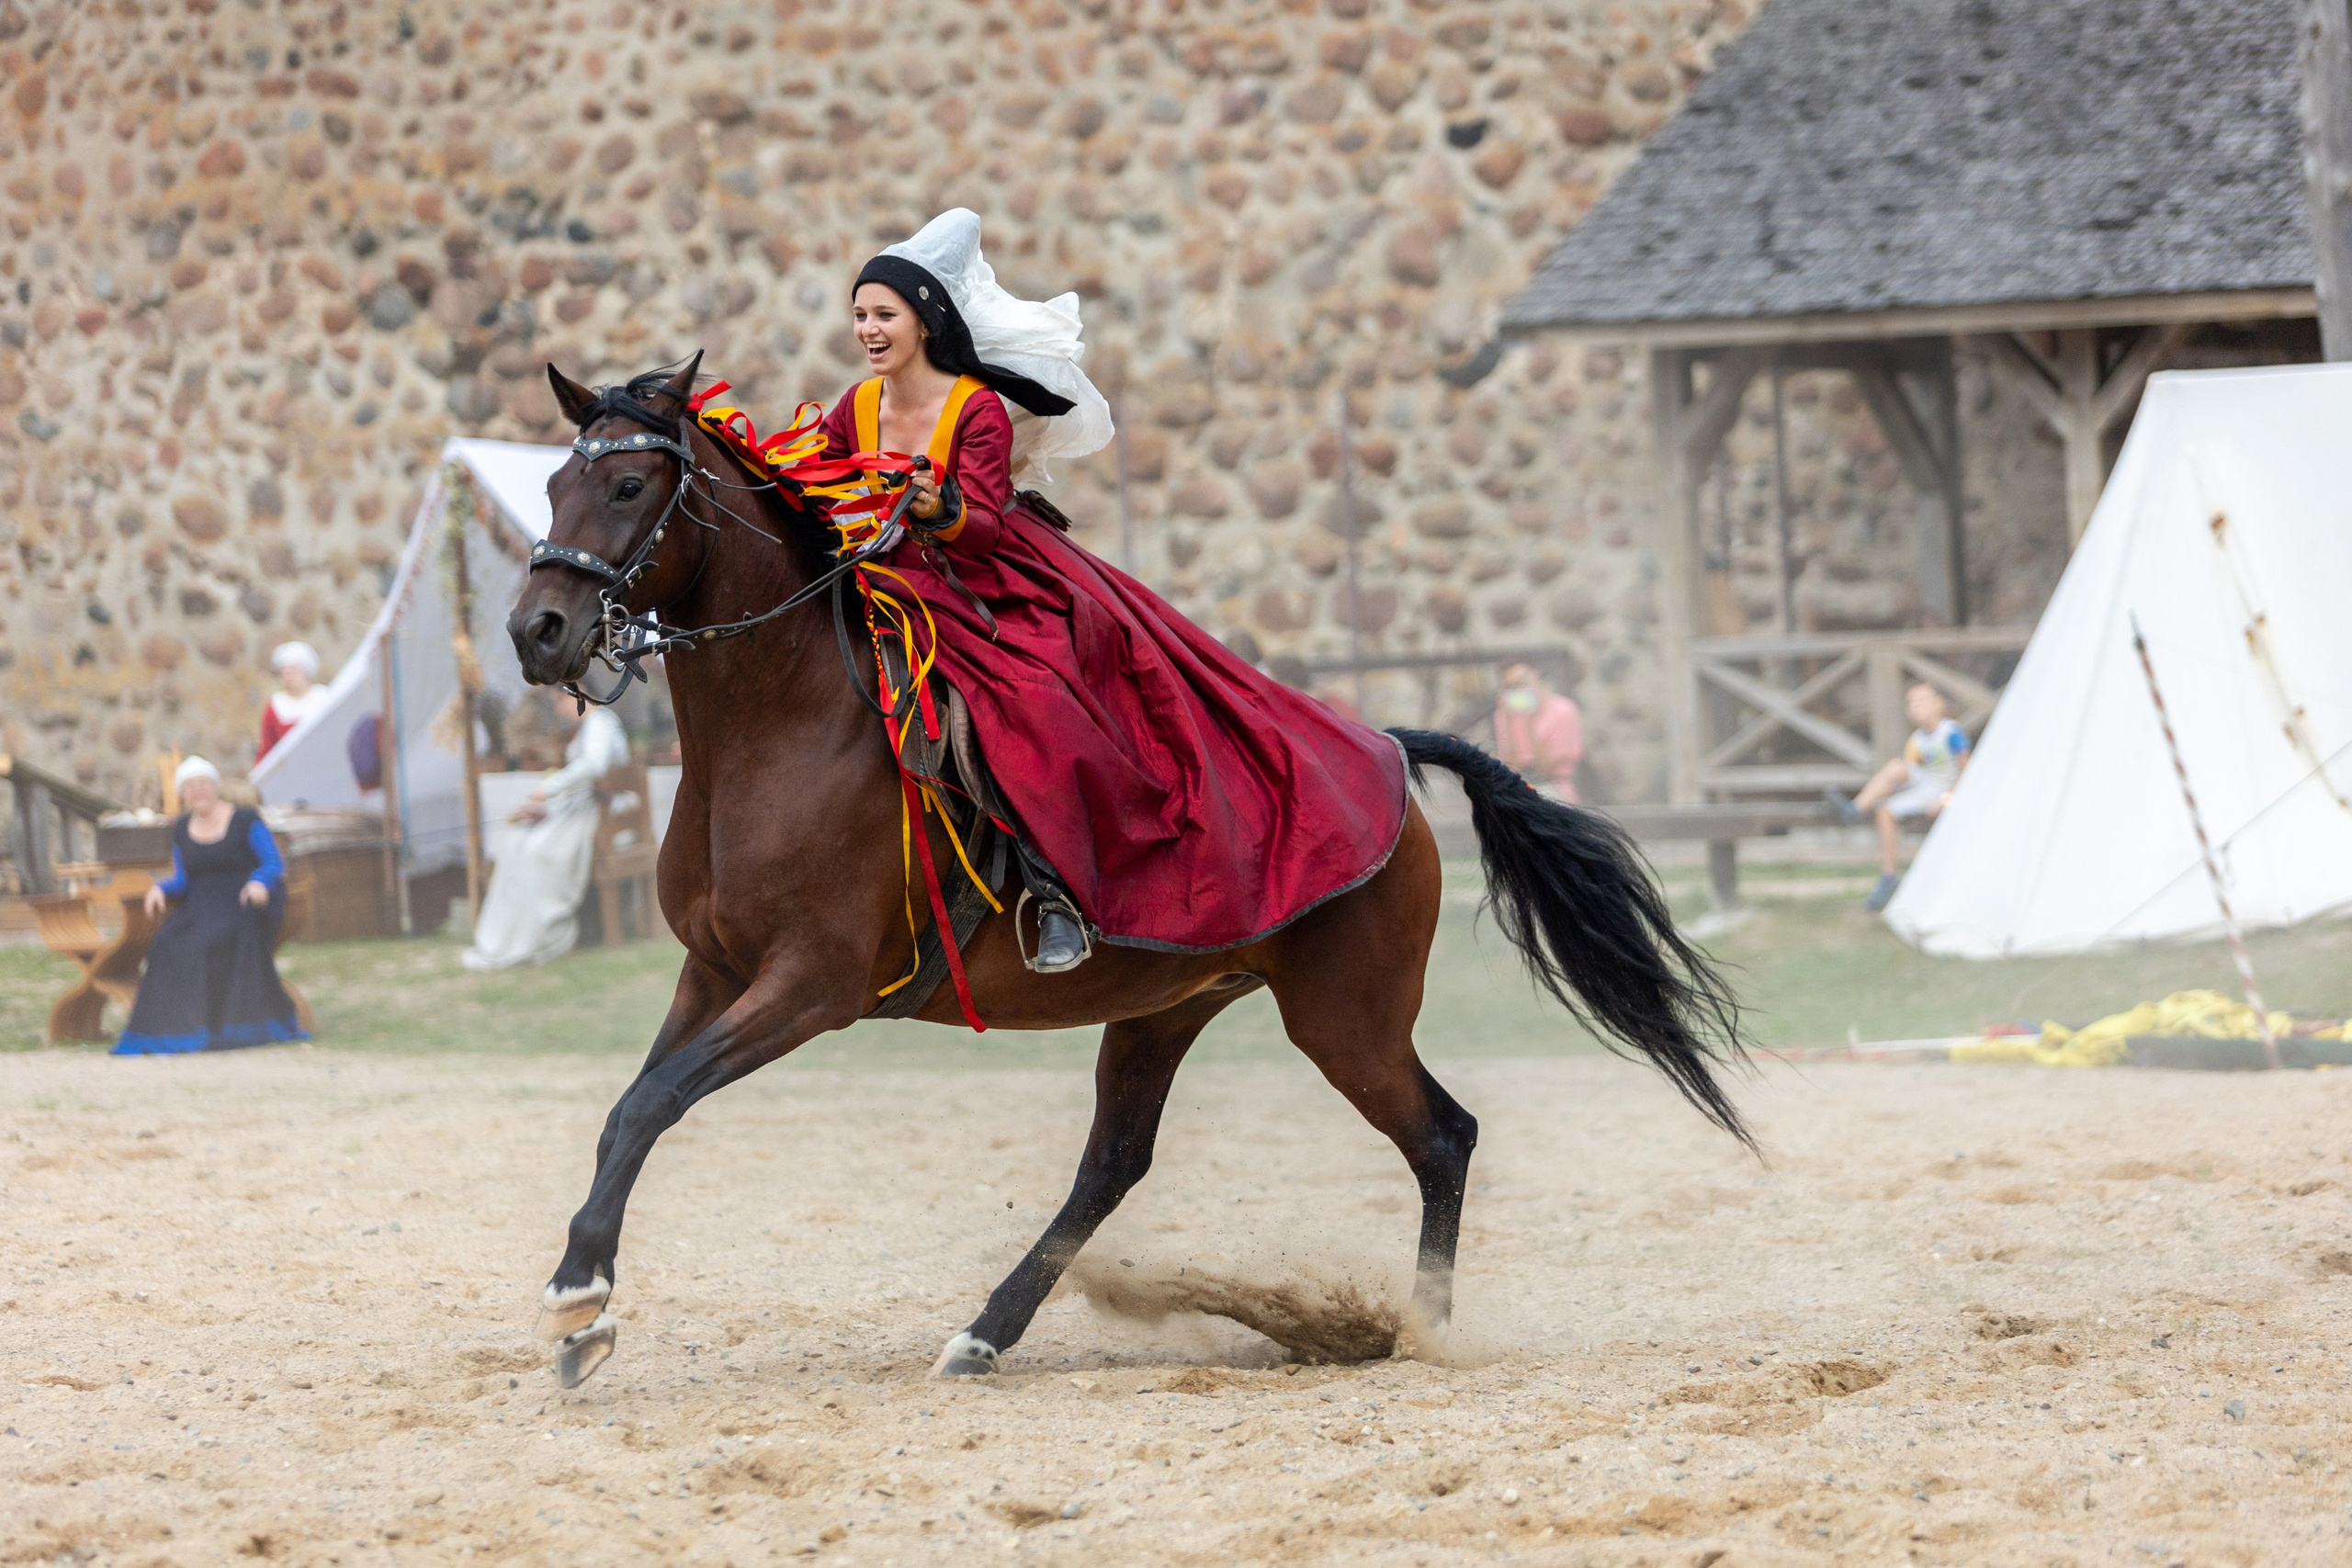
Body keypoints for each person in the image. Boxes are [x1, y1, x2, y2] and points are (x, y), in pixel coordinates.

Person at [811, 209, 1406, 976]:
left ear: (922, 321)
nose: (868, 329)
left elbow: (986, 527)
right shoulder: (853, 408)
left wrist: (935, 505)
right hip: (879, 577)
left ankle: (1056, 891)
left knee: (1035, 700)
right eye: (859, 315)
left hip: (979, 580)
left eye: (883, 314)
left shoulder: (977, 409)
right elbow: (813, 479)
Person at [114, 757, 310, 1055]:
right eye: (190, 787)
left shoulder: (245, 820)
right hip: (202, 903)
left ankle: (230, 1025)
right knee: (168, 941)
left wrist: (259, 881)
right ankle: (179, 1028)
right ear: (183, 794)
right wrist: (159, 887)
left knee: (212, 940)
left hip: (246, 899)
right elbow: (183, 878)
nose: (198, 791)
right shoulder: (181, 828)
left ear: (215, 787)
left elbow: (272, 861)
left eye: (203, 784)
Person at [462, 703, 629, 970]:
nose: (558, 708)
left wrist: (551, 787)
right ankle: (503, 938)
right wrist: (547, 808)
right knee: (517, 840)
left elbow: (594, 768)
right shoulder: (588, 726)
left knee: (536, 851)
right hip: (579, 810)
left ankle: (540, 936)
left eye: (559, 699)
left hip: (597, 816)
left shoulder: (601, 722)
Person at [1838, 682, 1970, 912]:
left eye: (1921, 701)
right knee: (1889, 793)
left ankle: (1856, 809)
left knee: (1898, 770)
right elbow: (1910, 774)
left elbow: (1967, 770)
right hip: (1928, 787)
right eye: (1910, 703)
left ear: (1938, 703)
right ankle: (1887, 873)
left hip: (1951, 789)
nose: (1915, 707)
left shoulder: (1951, 732)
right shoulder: (1917, 740)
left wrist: (1946, 799)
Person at [1492, 661, 1583, 803]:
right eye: (1511, 687)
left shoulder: (1564, 711)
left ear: (1537, 677)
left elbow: (1547, 769)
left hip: (1556, 787)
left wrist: (1529, 726)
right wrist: (1509, 723)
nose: (1518, 690)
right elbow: (1511, 766)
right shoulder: (1504, 715)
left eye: (1522, 683)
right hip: (1519, 787)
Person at [257, 641, 333, 761]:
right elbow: (267, 747)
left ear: (306, 671)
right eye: (285, 672)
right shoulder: (276, 704)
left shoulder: (323, 697)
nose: (289, 676)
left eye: (293, 671)